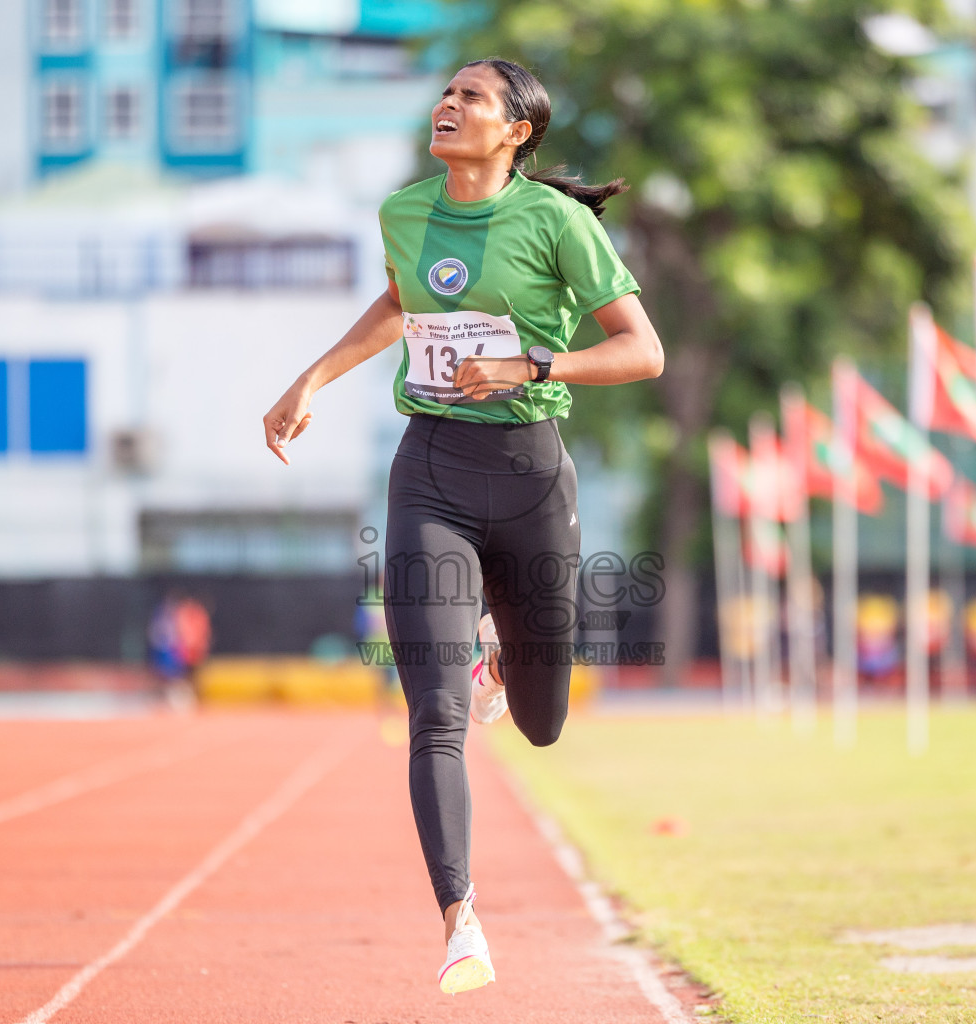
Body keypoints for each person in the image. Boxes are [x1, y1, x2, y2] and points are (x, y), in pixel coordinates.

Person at [262, 58, 663, 994]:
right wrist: (310, 380)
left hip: (531, 481)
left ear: (517, 131)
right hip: (430, 473)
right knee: (434, 714)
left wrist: (533, 366)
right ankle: (460, 919)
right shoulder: (404, 213)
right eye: (446, 92)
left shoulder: (557, 222)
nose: (448, 104)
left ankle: (500, 666)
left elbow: (641, 351)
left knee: (543, 722)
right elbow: (400, 305)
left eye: (471, 97)